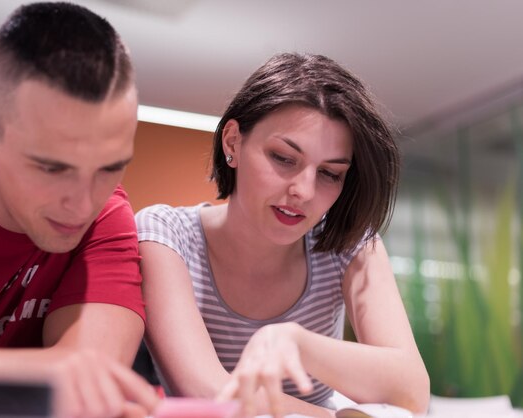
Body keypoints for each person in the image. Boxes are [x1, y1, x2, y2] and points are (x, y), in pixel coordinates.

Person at [0, 2, 159, 417]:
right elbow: (65, 373)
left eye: (111, 168)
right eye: (51, 167)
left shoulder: (107, 217)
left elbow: (91, 378)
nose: (83, 202)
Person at [135, 53, 430, 418]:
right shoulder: (165, 234)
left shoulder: (349, 243)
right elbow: (211, 393)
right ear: (232, 143)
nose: (304, 192)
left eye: (330, 173)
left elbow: (412, 392)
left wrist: (294, 342)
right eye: (284, 158)